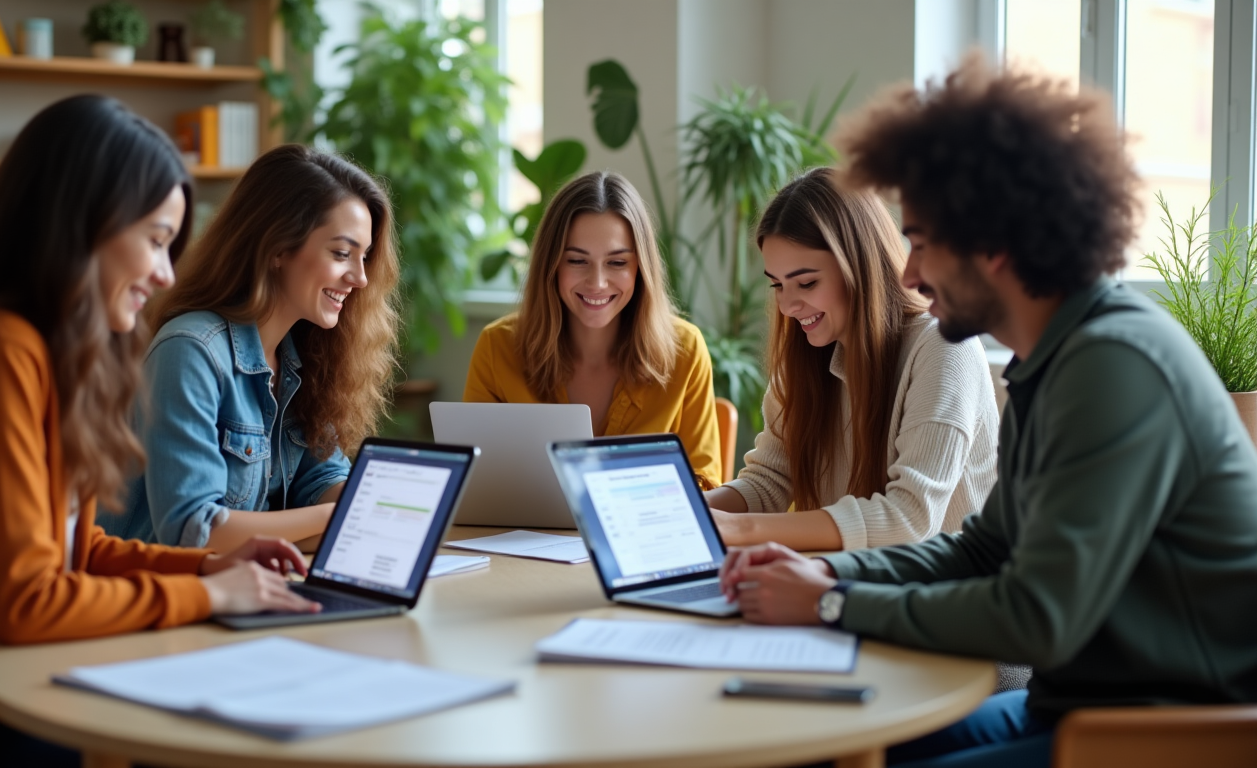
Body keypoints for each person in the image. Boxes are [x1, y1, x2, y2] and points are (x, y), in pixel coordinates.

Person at [720, 56, 1257, 768]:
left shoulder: (1113, 366)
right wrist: (829, 577)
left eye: (919, 242)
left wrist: (830, 604)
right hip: (1071, 706)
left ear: (992, 244)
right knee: (810, 751)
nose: (906, 273)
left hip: (1159, 733)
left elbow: (1037, 617)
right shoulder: (1053, 361)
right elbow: (981, 549)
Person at [0, 96, 319, 767]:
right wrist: (208, 594)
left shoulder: (43, 351)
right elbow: (27, 599)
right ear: (83, 225)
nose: (165, 274)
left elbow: (76, 549)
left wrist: (210, 565)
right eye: (157, 240)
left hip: (19, 682)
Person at [98, 145, 400, 553]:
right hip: (157, 599)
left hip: (240, 586)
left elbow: (321, 482)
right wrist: (340, 517)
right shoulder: (191, 351)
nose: (360, 278)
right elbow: (193, 529)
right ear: (277, 248)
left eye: (364, 257)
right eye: (342, 253)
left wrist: (372, 508)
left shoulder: (305, 354)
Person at [703, 168, 999, 551]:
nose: (788, 306)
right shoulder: (807, 355)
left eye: (806, 282)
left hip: (942, 599)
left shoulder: (944, 346)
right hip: (845, 587)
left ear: (859, 266)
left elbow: (909, 517)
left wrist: (741, 530)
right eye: (777, 284)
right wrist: (685, 513)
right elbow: (768, 482)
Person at [464, 171, 723, 489]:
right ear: (552, 264)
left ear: (640, 268)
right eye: (577, 261)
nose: (597, 283)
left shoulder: (685, 349)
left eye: (617, 263)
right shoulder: (497, 347)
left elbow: (705, 484)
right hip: (521, 537)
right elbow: (476, 482)